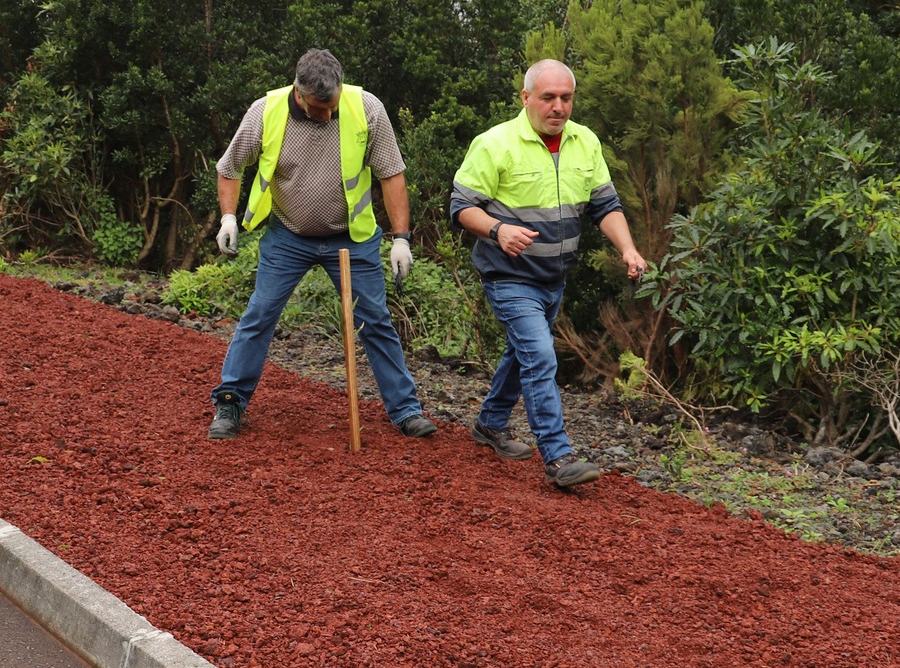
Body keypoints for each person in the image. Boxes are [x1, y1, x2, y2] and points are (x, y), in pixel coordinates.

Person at [208, 48, 438, 442]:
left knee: (376, 321)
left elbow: (391, 174)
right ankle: (230, 401)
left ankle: (405, 410)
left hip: (352, 237)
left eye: (331, 105)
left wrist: (402, 238)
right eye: (318, 108)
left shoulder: (367, 108)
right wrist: (229, 216)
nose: (327, 115)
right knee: (260, 313)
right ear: (298, 91)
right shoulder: (265, 111)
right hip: (288, 235)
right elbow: (230, 167)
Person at [449, 58, 647, 490]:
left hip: (554, 278)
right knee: (540, 355)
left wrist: (628, 249)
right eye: (548, 97)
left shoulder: (584, 142)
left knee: (523, 355)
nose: (558, 107)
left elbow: (605, 207)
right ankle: (558, 458)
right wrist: (498, 230)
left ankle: (489, 424)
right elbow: (461, 207)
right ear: (526, 98)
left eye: (566, 98)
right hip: (508, 276)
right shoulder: (495, 144)